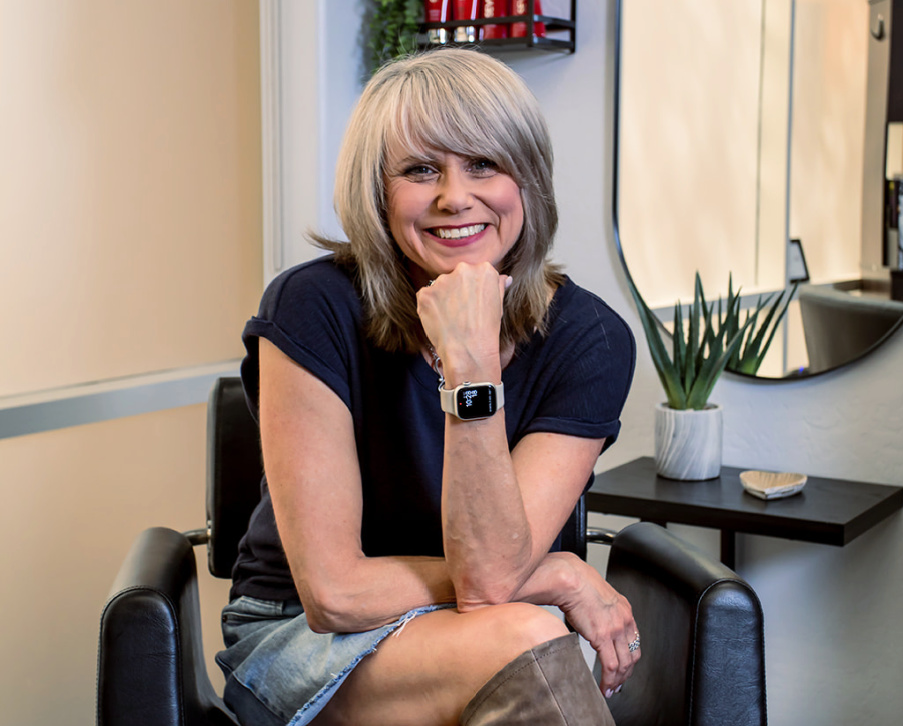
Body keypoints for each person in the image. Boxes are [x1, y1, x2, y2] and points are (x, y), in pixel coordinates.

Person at [216, 48, 639, 726]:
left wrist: (470, 360)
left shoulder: (590, 338)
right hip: (302, 639)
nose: (454, 196)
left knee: (520, 636)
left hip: (486, 629)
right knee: (527, 634)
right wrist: (558, 574)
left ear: (525, 179)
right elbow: (333, 594)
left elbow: (491, 580)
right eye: (420, 170)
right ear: (377, 194)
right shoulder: (310, 304)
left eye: (483, 164)